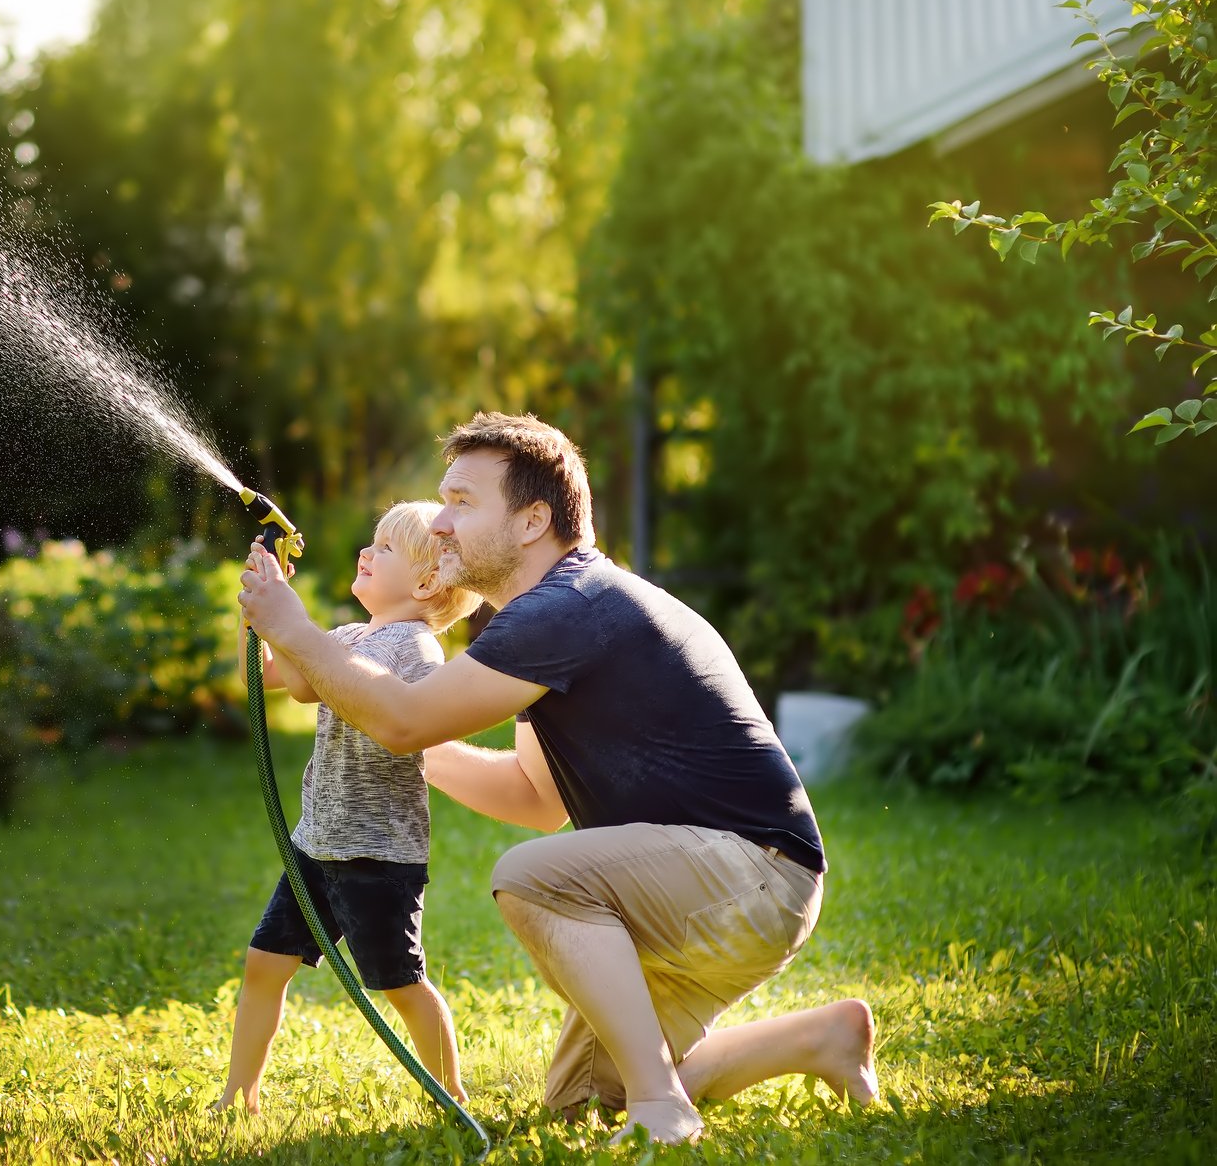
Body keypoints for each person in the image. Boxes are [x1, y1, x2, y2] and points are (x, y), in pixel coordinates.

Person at [235, 413, 877, 1145]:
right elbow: (533, 799)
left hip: (750, 874)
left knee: (531, 876)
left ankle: (661, 1108)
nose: (439, 523)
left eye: (462, 503)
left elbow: (405, 720)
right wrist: (404, 746)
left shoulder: (564, 607)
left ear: (532, 519)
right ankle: (818, 1039)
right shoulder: (542, 619)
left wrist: (296, 632)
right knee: (578, 1101)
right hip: (715, 887)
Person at [215, 501, 485, 1114]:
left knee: (400, 983)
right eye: (372, 543)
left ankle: (451, 1092)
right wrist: (259, 609)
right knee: (264, 963)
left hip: (378, 855)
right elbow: (270, 675)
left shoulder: (415, 649)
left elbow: (390, 708)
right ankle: (240, 1093)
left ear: (424, 584)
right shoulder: (342, 638)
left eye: (384, 549)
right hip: (316, 843)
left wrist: (297, 628)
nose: (366, 553)